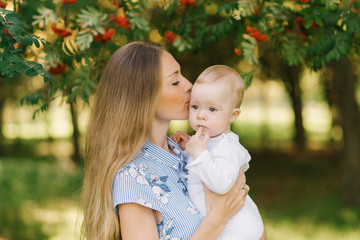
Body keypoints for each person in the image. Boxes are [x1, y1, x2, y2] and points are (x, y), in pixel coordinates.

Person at [80, 42, 250, 240]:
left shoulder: (184, 150)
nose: (190, 85)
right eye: (175, 81)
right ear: (143, 97)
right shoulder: (132, 178)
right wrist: (218, 219)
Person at [171, 65, 266, 240]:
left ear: (233, 115)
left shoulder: (229, 147)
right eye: (195, 107)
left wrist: (197, 153)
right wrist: (186, 151)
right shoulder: (203, 143)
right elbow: (197, 171)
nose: (201, 115)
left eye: (212, 109)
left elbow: (221, 183)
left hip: (240, 231)